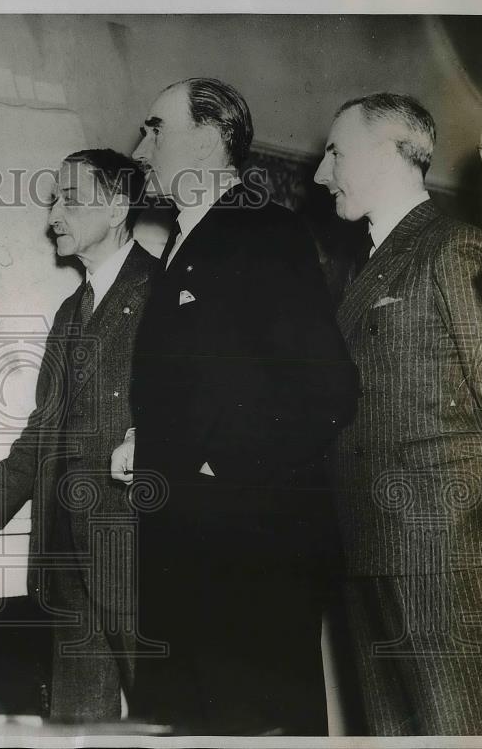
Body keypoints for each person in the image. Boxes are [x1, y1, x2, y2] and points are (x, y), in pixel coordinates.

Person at [112, 78, 359, 734]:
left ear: (208, 136)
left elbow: (327, 387)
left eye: (156, 127)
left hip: (246, 559)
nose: (141, 147)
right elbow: (213, 382)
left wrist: (224, 465)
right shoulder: (180, 247)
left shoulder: (261, 233)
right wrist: (150, 439)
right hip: (185, 550)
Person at [0, 149, 156, 722]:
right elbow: (44, 426)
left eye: (70, 199)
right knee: (79, 719)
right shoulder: (68, 310)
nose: (54, 212)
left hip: (136, 545)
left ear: (117, 207)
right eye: (54, 198)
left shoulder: (164, 291)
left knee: (166, 706)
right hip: (65, 546)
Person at [313, 92, 482, 735]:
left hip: (440, 551)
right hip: (370, 543)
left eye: (335, 152)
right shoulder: (368, 266)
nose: (320, 173)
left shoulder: (453, 248)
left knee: (454, 727)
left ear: (390, 152)